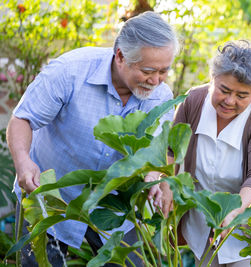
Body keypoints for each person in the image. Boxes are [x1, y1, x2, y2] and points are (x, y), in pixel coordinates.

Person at [6, 11, 179, 267]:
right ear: (120, 55)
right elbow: (23, 119)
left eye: (164, 71)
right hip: (53, 198)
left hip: (115, 208)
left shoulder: (162, 97)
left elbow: (155, 153)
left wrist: (154, 177)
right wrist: (22, 161)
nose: (156, 80)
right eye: (148, 70)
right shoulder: (70, 71)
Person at [161, 40, 251, 267]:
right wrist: (167, 184)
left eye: (242, 95)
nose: (230, 101)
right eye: (224, 90)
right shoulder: (193, 101)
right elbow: (172, 150)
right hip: (204, 218)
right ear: (212, 80)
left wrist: (234, 213)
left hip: (249, 216)